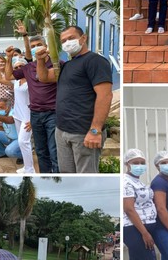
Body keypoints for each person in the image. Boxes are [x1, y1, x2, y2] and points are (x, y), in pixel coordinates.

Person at [34, 26, 112, 173]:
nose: (67, 43)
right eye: (63, 41)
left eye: (71, 38)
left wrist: (95, 131)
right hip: (62, 130)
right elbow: (44, 77)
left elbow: (105, 96)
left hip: (83, 131)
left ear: (83, 38)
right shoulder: (68, 65)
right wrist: (40, 60)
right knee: (67, 175)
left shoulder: (95, 61)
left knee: (86, 176)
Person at [12, 20, 59, 173]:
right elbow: (9, 74)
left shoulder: (58, 65)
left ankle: (57, 176)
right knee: (40, 151)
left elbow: (47, 78)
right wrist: (25, 36)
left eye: (38, 45)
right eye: (32, 47)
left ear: (46, 46)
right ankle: (45, 176)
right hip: (35, 114)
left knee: (54, 151)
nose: (35, 49)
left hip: (53, 113)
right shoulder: (29, 67)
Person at [123, 149, 161, 260]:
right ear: (127, 164)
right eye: (135, 162)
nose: (139, 166)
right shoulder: (125, 182)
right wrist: (145, 233)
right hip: (135, 229)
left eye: (141, 162)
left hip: (141, 228)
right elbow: (129, 209)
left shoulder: (136, 181)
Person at [2, 47, 36, 172]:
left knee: (23, 142)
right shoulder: (16, 81)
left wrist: (33, 119)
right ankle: (26, 166)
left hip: (28, 117)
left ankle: (30, 170)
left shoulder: (33, 81)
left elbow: (36, 100)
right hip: (17, 115)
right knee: (23, 143)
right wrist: (9, 58)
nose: (18, 69)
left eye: (21, 66)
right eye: (16, 67)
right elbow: (6, 75)